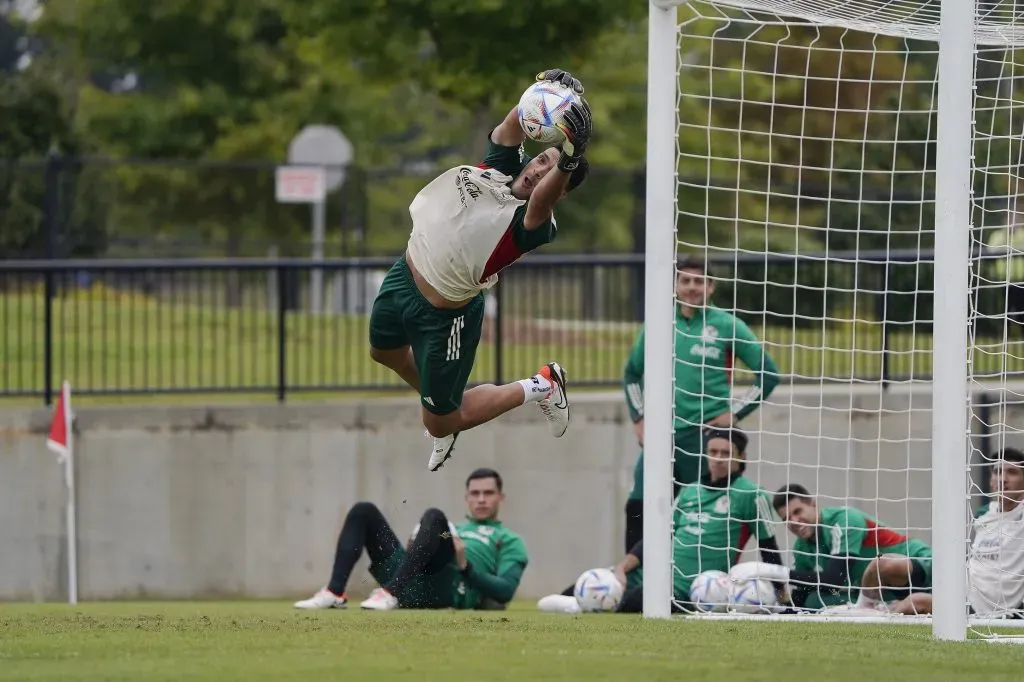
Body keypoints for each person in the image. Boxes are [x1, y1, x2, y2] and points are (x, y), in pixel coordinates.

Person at [367, 68, 593, 471]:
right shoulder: (501, 167)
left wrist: (570, 159)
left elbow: (543, 198)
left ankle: (542, 385)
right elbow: (511, 125)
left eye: (551, 172)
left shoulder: (536, 222)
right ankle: (443, 401)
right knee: (382, 350)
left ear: (562, 189)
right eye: (541, 159)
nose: (540, 169)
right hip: (404, 274)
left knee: (443, 422)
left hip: (445, 316)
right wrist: (543, 91)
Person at [622, 256, 779, 554]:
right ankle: (633, 587)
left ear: (711, 287)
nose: (692, 287)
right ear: (676, 285)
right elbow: (631, 373)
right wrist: (639, 418)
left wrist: (734, 413)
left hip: (703, 437)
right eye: (685, 280)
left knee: (698, 514)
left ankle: (697, 584)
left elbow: (768, 375)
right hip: (661, 436)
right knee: (638, 507)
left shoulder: (728, 325)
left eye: (699, 281)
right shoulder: (659, 321)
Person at [537, 428, 785, 614]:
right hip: (652, 572)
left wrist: (782, 593)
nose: (718, 458)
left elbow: (768, 546)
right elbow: (659, 537)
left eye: (726, 453)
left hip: (692, 585)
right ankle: (581, 601)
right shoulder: (689, 491)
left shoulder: (752, 494)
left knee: (638, 600)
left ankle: (584, 606)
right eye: (713, 452)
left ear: (741, 457)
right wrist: (622, 569)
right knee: (580, 586)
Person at [294, 467, 528, 611]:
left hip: (448, 585)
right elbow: (441, 532)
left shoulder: (508, 539)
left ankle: (389, 593)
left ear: (501, 497)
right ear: (466, 497)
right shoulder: (455, 529)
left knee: (435, 517)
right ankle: (335, 593)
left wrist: (465, 566)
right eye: (475, 493)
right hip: (411, 580)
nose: (481, 499)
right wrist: (422, 544)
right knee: (363, 510)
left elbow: (505, 590)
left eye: (488, 493)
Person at [730, 483, 933, 614]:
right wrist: (777, 608)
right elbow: (806, 591)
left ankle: (882, 607)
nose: (794, 521)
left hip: (918, 570)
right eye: (786, 519)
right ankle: (882, 609)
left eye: (798, 511)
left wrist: (769, 570)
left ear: (813, 504)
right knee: (811, 602)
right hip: (879, 591)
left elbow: (837, 579)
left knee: (884, 566)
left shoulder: (843, 520)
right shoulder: (802, 547)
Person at [896, 448, 1024, 619]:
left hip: (991, 608)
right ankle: (866, 606)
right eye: (997, 472)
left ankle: (878, 625)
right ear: (990, 480)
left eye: (1012, 473)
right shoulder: (984, 514)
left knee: (916, 601)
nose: (1003, 479)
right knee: (888, 564)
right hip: (961, 590)